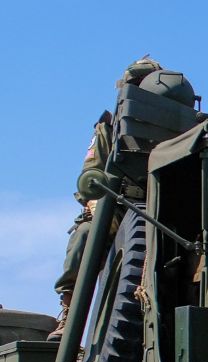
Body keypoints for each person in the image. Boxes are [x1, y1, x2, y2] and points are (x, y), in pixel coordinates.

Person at [48, 56, 164, 340]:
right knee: (85, 235)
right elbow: (91, 175)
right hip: (117, 205)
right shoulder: (110, 127)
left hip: (164, 206)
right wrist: (96, 202)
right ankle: (69, 314)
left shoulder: (179, 124)